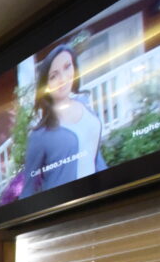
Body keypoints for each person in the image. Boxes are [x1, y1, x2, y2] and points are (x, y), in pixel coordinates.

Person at [19, 44, 106, 197]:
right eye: (54, 76)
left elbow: (93, 154)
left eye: (67, 67)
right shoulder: (40, 135)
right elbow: (28, 190)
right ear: (45, 85)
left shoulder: (85, 105)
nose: (63, 79)